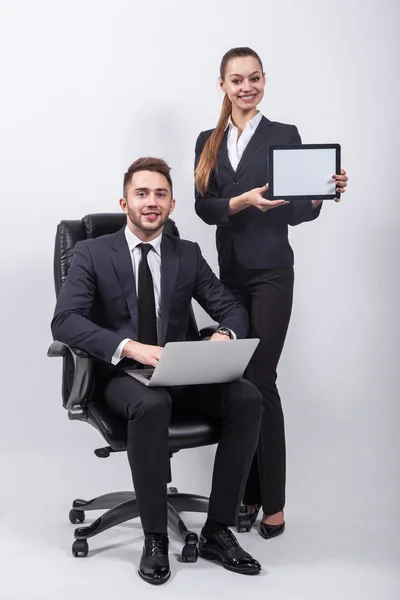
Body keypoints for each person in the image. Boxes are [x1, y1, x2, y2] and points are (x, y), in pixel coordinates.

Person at [51, 157, 264, 585]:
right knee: (151, 404)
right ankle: (154, 538)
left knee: (247, 398)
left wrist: (224, 333)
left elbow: (231, 308)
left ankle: (218, 531)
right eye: (142, 193)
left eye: (160, 194)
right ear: (125, 201)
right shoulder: (92, 252)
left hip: (180, 371)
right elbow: (66, 321)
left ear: (171, 204)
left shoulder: (186, 254)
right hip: (122, 375)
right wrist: (131, 348)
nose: (151, 202)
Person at [194, 47, 348, 540]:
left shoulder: (283, 136)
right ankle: (252, 494)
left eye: (254, 78)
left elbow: (296, 208)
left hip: (272, 274)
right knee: (239, 383)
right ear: (222, 84)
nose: (246, 87)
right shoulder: (208, 139)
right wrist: (240, 200)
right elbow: (204, 207)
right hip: (229, 276)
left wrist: (324, 191)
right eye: (236, 79)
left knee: (261, 379)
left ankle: (272, 503)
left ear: (264, 82)